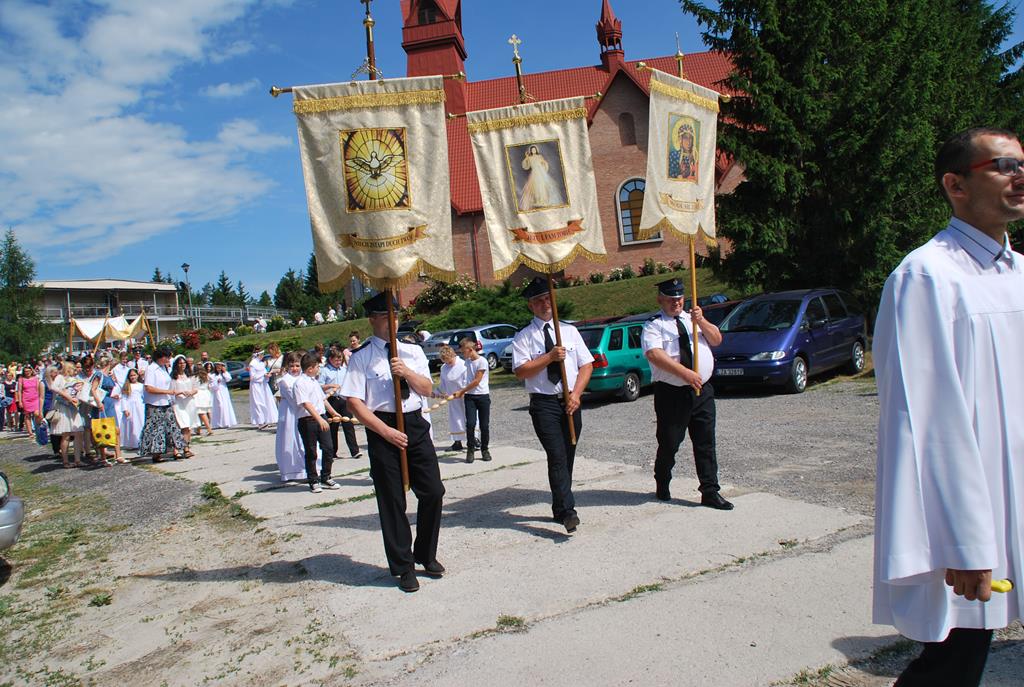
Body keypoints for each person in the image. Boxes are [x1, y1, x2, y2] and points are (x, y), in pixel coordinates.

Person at [873, 127, 1024, 687]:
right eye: (1003, 165)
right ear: (955, 185)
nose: (1019, 176)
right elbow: (925, 419)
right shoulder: (927, 277)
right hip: (979, 508)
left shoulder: (1019, 272)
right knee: (956, 662)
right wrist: (963, 541)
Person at [341, 292, 445, 593]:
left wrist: (406, 372)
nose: (392, 321)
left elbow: (427, 388)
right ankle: (403, 567)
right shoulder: (362, 357)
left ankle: (425, 553)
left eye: (395, 316)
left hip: (414, 423)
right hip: (383, 427)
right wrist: (385, 432)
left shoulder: (412, 351)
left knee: (433, 491)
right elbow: (354, 403)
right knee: (392, 500)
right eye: (386, 316)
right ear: (373, 320)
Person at [511, 277, 593, 534]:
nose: (545, 304)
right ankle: (569, 512)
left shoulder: (569, 331)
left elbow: (586, 365)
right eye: (538, 301)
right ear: (531, 306)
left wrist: (576, 394)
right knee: (556, 455)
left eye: (548, 299)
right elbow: (521, 371)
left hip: (570, 400)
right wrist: (549, 357)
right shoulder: (524, 337)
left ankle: (559, 506)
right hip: (544, 404)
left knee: (567, 455)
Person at [641, 278, 732, 510]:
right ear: (660, 299)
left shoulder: (692, 319)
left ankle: (710, 491)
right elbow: (654, 354)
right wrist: (686, 373)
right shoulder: (654, 325)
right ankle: (662, 479)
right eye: (671, 299)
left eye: (679, 298)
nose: (676, 303)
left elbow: (716, 339)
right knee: (670, 442)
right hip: (672, 393)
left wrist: (701, 321)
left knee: (705, 442)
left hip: (702, 390)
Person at [294, 351, 344, 493]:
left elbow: (322, 400)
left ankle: (326, 476)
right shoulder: (300, 383)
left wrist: (333, 412)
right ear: (310, 368)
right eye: (317, 367)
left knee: (328, 448)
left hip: (321, 417)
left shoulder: (314, 381)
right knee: (311, 451)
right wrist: (319, 419)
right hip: (308, 421)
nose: (319, 370)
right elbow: (306, 404)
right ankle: (313, 480)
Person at [139, 348, 187, 463]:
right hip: (154, 404)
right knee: (156, 428)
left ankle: (176, 450)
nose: (168, 359)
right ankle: (156, 453)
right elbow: (149, 388)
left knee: (172, 426)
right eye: (167, 357)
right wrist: (167, 392)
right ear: (161, 357)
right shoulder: (151, 369)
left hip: (166, 402)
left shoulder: (163, 368)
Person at [319, 347, 362, 460]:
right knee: (333, 426)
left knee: (348, 424)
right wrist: (330, 386)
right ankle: (332, 452)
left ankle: (354, 451)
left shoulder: (344, 370)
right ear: (330, 359)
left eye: (340, 360)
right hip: (331, 400)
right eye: (336, 360)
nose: (338, 362)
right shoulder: (325, 371)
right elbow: (319, 386)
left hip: (343, 399)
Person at [455, 338, 491, 463]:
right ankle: (470, 449)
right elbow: (464, 377)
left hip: (482, 396)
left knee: (484, 425)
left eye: (463, 351)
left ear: (470, 350)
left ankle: (485, 449)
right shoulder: (467, 362)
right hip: (470, 397)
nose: (462, 354)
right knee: (470, 424)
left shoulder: (482, 361)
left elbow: (476, 381)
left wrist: (462, 391)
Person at [276, 351, 309, 482]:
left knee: (302, 440)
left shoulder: (304, 378)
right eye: (292, 366)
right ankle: (292, 470)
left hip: (302, 410)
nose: (295, 369)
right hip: (291, 412)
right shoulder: (285, 381)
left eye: (297, 366)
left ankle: (307, 468)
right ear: (287, 366)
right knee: (291, 439)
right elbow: (294, 400)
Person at [50, 361, 86, 468]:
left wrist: (77, 398)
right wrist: (67, 396)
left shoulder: (75, 379)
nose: (75, 371)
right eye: (73, 369)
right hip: (64, 407)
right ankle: (65, 461)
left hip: (74, 408)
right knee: (66, 434)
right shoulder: (60, 378)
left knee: (79, 432)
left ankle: (78, 459)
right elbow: (53, 387)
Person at [437, 345, 468, 451]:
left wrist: (463, 392)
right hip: (452, 398)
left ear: (453, 356)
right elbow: (443, 383)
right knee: (455, 419)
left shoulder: (463, 365)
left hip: (464, 396)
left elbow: (467, 381)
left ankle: (474, 439)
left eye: (450, 362)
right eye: (446, 362)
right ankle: (457, 441)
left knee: (468, 417)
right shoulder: (444, 368)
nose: (448, 364)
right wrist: (439, 393)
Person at [170, 356, 198, 458]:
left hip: (189, 403)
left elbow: (196, 388)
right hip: (178, 403)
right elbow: (171, 391)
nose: (182, 365)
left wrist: (190, 392)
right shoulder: (173, 377)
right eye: (180, 363)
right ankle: (176, 449)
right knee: (182, 425)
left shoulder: (190, 376)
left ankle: (186, 448)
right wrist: (180, 392)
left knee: (188, 427)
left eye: (184, 363)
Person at [519, 145, 563, 211]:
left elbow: (544, 163)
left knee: (542, 186)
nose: (533, 151)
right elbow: (526, 166)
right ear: (531, 151)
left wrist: (544, 163)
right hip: (534, 173)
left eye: (534, 150)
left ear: (536, 150)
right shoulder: (530, 158)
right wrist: (527, 157)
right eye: (532, 150)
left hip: (540, 172)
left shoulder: (540, 156)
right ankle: (538, 200)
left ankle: (543, 200)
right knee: (535, 186)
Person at [248, 347, 278, 429]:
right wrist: (263, 375)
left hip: (264, 385)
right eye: (261, 354)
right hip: (256, 385)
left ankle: (268, 419)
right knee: (258, 402)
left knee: (267, 401)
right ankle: (260, 421)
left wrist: (267, 375)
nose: (263, 356)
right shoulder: (252, 364)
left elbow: (264, 373)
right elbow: (252, 377)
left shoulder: (261, 363)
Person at [119, 368, 145, 450]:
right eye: (131, 376)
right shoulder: (127, 386)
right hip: (130, 406)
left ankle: (140, 441)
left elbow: (144, 396)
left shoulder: (141, 385)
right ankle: (131, 443)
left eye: (134, 375)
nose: (133, 377)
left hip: (140, 406)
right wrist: (125, 409)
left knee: (140, 423)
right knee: (131, 424)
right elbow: (124, 398)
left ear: (137, 375)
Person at [16, 364, 43, 436]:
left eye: (28, 371)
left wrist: (40, 397)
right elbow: (19, 391)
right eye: (25, 371)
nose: (27, 372)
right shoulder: (21, 379)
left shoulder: (35, 378)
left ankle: (38, 429)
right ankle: (30, 432)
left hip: (35, 398)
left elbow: (38, 388)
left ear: (31, 371)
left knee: (37, 414)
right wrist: (20, 401)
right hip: (26, 399)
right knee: (27, 415)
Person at [209, 362, 237, 429]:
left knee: (225, 406)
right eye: (217, 367)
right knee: (220, 406)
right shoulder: (212, 375)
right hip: (217, 392)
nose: (219, 369)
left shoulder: (224, 374)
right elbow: (211, 386)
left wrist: (224, 371)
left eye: (220, 367)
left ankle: (226, 422)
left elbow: (228, 379)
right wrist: (217, 383)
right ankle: (219, 423)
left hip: (224, 391)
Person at [193, 364, 214, 437]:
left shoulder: (195, 377)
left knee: (201, 413)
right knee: (201, 413)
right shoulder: (206, 376)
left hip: (198, 394)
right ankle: (198, 429)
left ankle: (209, 429)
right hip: (206, 394)